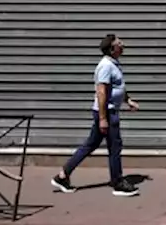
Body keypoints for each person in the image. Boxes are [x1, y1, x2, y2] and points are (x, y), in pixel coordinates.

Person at [52, 34, 140, 196]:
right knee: (115, 147)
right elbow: (101, 92)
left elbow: (117, 87)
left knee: (90, 145)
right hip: (107, 112)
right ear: (112, 49)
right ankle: (118, 182)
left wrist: (128, 100)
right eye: (119, 43)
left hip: (107, 111)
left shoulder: (114, 64)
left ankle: (63, 175)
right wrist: (103, 118)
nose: (123, 44)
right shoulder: (106, 66)